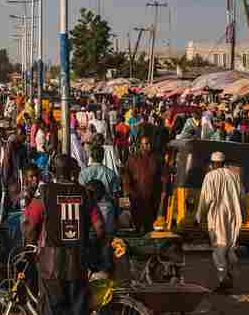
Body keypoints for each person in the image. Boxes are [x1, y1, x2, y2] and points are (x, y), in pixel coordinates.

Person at [23, 154, 104, 315]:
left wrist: (29, 249)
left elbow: (31, 225)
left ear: (53, 171)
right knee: (77, 309)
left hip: (51, 264)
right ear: (73, 172)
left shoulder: (44, 193)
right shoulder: (85, 194)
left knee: (53, 309)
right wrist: (92, 248)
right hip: (79, 263)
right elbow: (100, 226)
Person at [195, 152, 246, 294]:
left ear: (213, 163)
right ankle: (230, 273)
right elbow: (242, 197)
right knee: (230, 245)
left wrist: (199, 217)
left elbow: (205, 199)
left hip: (217, 217)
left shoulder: (210, 176)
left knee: (219, 248)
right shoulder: (234, 176)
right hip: (234, 216)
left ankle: (224, 280)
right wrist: (245, 215)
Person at [122, 135, 167, 233]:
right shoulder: (133, 158)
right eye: (146, 144)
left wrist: (164, 191)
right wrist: (128, 190)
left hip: (153, 195)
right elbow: (126, 176)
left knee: (151, 222)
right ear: (140, 145)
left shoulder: (157, 158)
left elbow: (163, 176)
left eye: (150, 143)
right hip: (137, 195)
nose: (149, 146)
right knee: (137, 220)